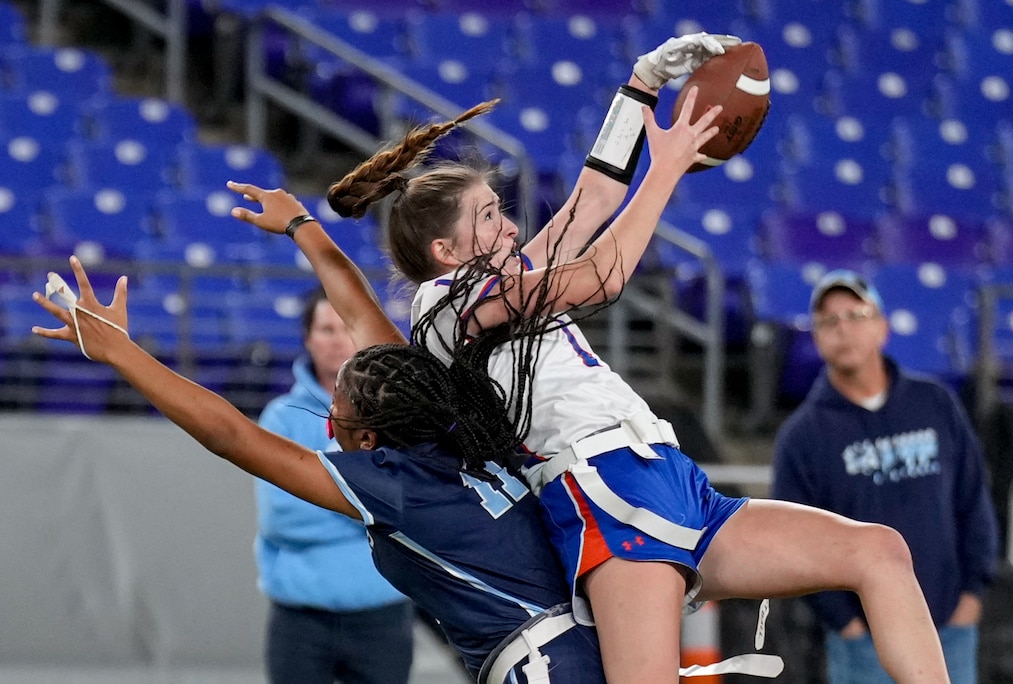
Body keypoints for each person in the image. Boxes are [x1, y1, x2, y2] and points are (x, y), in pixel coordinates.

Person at [307, 36, 954, 684]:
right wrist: (669, 167)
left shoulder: (497, 288)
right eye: (489, 216)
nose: (508, 226)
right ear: (447, 251)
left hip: (667, 474)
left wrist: (641, 84)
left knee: (879, 552)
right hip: (604, 484)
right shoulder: (448, 301)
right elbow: (603, 276)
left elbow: (592, 198)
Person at [31, 255, 605, 684]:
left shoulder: (394, 483)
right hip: (579, 637)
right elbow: (367, 320)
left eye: (337, 418)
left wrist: (121, 353)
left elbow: (229, 435)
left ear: (370, 439)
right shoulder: (456, 433)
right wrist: (305, 228)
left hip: (542, 660)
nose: (329, 423)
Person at [771, 269, 1000, 684]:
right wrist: (847, 624)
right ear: (818, 339)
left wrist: (971, 598)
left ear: (882, 326)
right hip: (863, 644)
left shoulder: (935, 403)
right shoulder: (801, 437)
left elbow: (973, 499)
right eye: (829, 321)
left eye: (856, 315)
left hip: (949, 629)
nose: (844, 330)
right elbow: (793, 547)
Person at [254, 286, 414, 684]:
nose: (337, 339)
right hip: (300, 620)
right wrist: (365, 505)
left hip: (383, 616)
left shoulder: (395, 415)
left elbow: (406, 506)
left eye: (345, 327)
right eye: (326, 329)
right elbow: (280, 518)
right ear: (308, 338)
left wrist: (319, 495)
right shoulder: (280, 419)